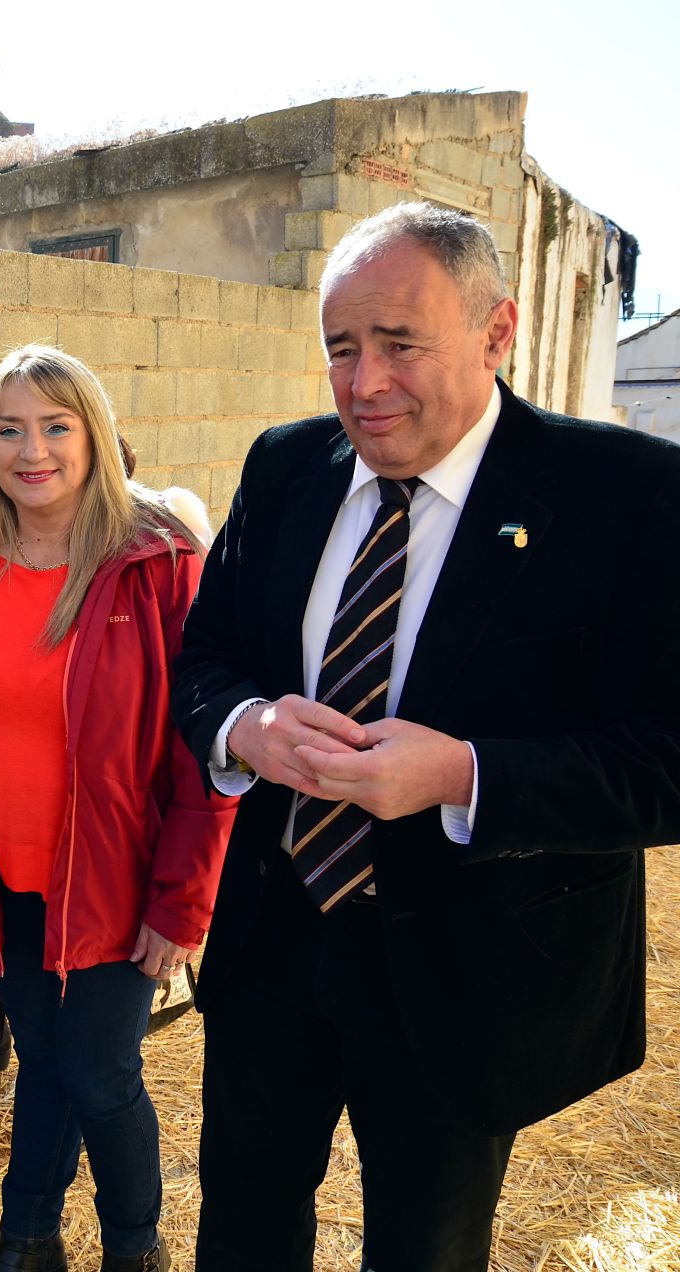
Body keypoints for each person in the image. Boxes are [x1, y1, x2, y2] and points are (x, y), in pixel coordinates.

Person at [172, 201, 680, 1270]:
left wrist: (462, 775)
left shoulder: (626, 495)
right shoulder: (283, 468)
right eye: (342, 350)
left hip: (471, 966)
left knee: (426, 1249)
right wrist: (248, 727)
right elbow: (202, 661)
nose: (364, 385)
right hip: (276, 946)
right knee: (244, 1227)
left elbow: (666, 757)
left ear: (497, 334)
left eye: (400, 344)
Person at [0, 345, 233, 1272]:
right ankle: (28, 1237)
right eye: (9, 430)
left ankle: (134, 1247)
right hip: (6, 875)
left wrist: (181, 903)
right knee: (42, 1063)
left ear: (93, 433)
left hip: (121, 881)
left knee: (99, 1071)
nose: (30, 450)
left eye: (55, 426)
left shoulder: (156, 563)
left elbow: (205, 753)